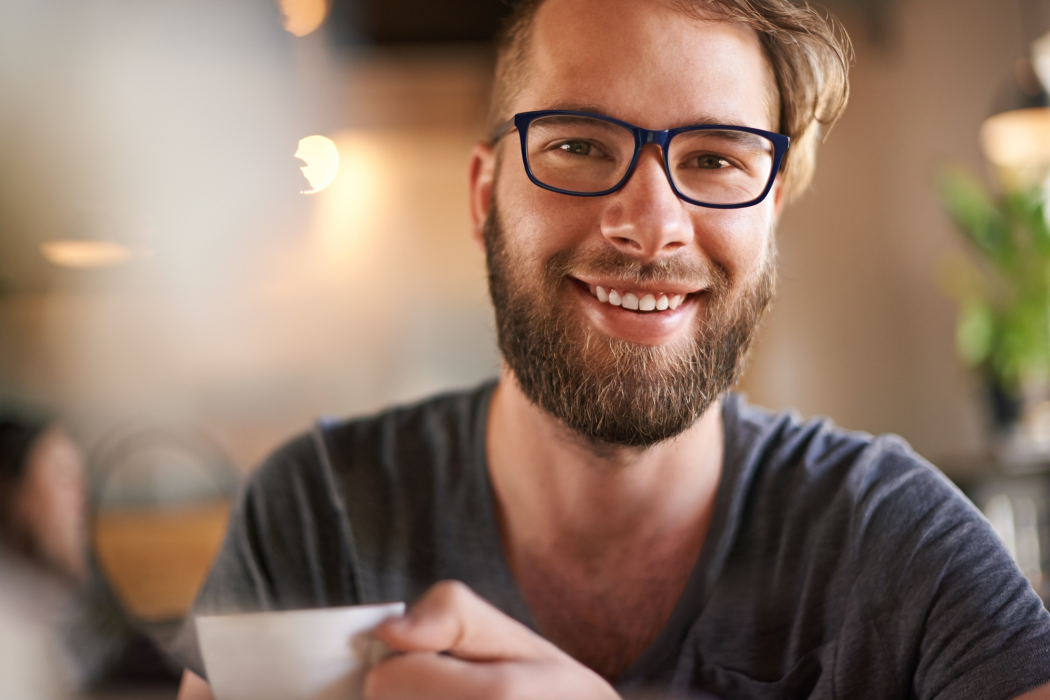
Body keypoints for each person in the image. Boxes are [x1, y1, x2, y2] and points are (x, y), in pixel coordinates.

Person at [174, 0, 1050, 697]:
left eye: (715, 160)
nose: (652, 226)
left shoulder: (893, 545)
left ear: (771, 211)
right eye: (580, 146)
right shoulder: (319, 514)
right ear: (486, 196)